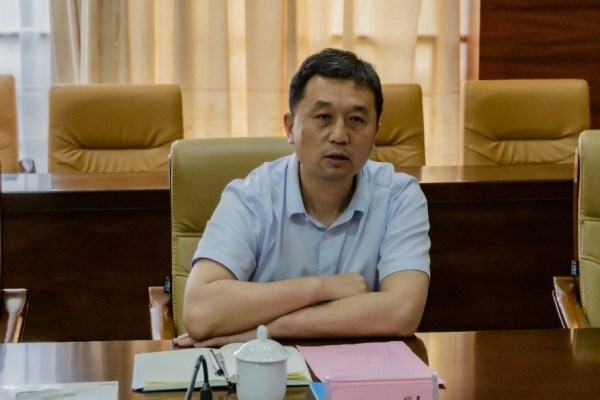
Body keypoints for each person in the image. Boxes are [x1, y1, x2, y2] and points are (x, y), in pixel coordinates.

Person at [175, 48, 430, 348]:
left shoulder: (400, 197)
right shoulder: (251, 197)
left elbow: (401, 313)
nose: (339, 135)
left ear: (375, 133)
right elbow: (200, 312)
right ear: (290, 128)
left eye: (356, 120)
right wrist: (324, 287)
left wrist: (267, 329)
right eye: (323, 117)